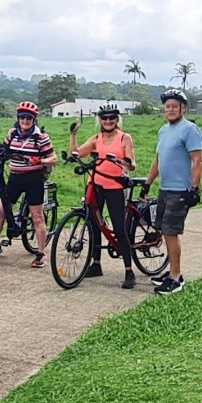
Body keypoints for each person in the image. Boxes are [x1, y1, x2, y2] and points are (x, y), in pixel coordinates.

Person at [67, 104, 137, 288]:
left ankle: (129, 271)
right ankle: (96, 264)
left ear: (117, 119)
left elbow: (132, 164)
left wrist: (123, 162)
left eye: (111, 118)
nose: (108, 121)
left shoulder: (124, 138)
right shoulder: (96, 138)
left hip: (115, 187)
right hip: (96, 185)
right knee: (93, 224)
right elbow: (75, 154)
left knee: (119, 228)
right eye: (104, 118)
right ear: (100, 120)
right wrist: (73, 135)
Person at [0, 101, 54, 269]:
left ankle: (41, 254)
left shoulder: (40, 137)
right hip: (15, 178)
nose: (25, 120)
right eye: (22, 117)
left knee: (37, 217)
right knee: (1, 210)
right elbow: (3, 148)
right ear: (18, 118)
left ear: (34, 120)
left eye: (28, 118)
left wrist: (39, 160)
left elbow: (53, 158)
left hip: (34, 179)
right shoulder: (12, 133)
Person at [142, 89, 202, 295]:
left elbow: (197, 160)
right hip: (164, 188)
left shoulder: (190, 130)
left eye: (174, 106)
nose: (170, 110)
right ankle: (171, 272)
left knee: (171, 232)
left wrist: (194, 189)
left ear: (183, 109)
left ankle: (176, 278)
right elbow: (159, 160)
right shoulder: (163, 131)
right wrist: (148, 183)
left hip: (180, 191)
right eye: (167, 106)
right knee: (163, 230)